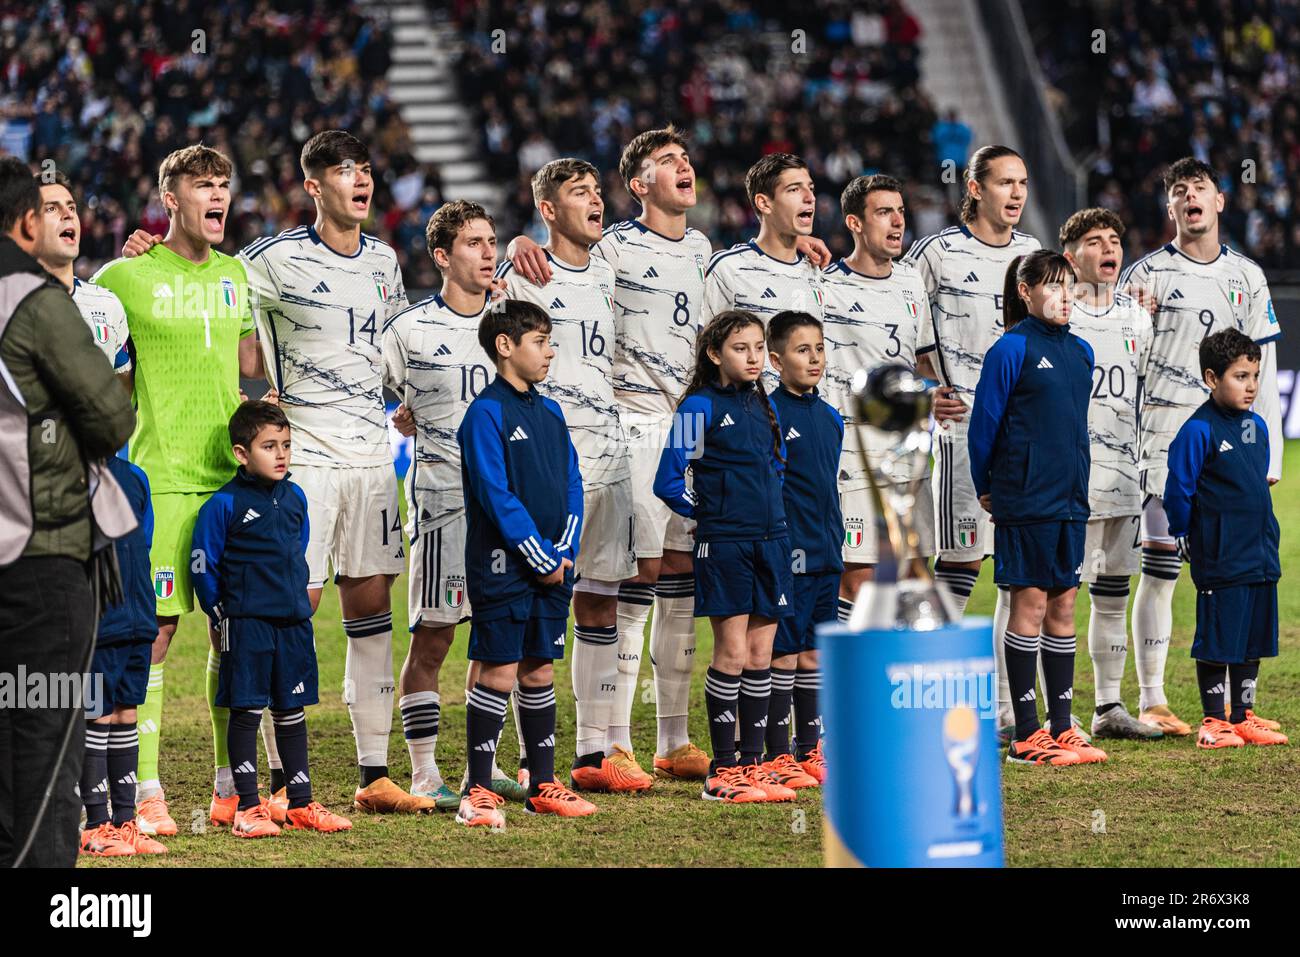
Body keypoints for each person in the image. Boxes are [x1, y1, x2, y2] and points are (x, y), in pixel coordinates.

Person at [123, 131, 429, 816]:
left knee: (311, 617)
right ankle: (188, 783)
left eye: (366, 169)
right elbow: (148, 342)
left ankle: (307, 778)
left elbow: (364, 348)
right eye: (342, 171)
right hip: (234, 469)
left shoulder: (352, 264)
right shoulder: (215, 267)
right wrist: (141, 247)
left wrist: (402, 397)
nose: (361, 180)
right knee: (215, 622)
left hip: (308, 464)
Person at [94, 144, 262, 835]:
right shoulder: (123, 278)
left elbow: (252, 365)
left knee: (234, 633)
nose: (217, 195)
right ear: (172, 199)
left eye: (223, 184)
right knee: (154, 633)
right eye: (203, 185)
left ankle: (230, 787)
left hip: (228, 481)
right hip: (158, 481)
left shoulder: (238, 277)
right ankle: (147, 789)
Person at [496, 158, 649, 792]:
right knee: (539, 605)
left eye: (597, 191)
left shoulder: (613, 268)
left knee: (603, 599)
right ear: (550, 210)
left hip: (611, 456)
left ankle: (593, 752)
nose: (595, 200)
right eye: (577, 194)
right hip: (550, 460)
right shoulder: (524, 273)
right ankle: (527, 755)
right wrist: (516, 241)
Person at [0, 155, 136, 867]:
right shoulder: (34, 300)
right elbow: (113, 418)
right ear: (26, 220)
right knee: (47, 737)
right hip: (40, 556)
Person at [1120, 157, 1284, 737]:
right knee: (1162, 570)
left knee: (1237, 576)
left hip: (1235, 448)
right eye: (1179, 191)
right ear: (1170, 209)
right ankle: (1153, 697)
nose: (1190, 196)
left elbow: (1263, 365)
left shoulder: (1248, 275)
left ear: (1220, 202)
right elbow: (1127, 363)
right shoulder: (1144, 275)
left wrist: (1269, 458)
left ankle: (1235, 708)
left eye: (1201, 189)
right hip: (1168, 441)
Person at [381, 199, 525, 805]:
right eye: (473, 242)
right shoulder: (409, 330)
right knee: (434, 637)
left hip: (510, 505)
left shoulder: (515, 322)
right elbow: (374, 394)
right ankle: (422, 772)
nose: (488, 251)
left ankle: (480, 766)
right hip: (443, 502)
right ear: (442, 256)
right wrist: (398, 413)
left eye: (492, 240)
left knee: (497, 639)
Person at [905, 145, 1040, 739]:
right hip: (961, 434)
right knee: (959, 563)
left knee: (1018, 571)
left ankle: (1011, 710)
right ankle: (928, 699)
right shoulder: (937, 253)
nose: (1016, 194)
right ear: (975, 186)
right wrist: (923, 386)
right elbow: (902, 324)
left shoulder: (1033, 254)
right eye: (1005, 182)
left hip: (1023, 438)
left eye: (1024, 183)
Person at [455, 300, 598, 828]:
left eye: (549, 340)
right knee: (499, 669)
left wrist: (563, 550)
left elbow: (571, 483)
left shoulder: (552, 411)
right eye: (539, 341)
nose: (549, 351)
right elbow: (495, 494)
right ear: (505, 346)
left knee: (539, 667)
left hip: (553, 566)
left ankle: (542, 784)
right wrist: (538, 556)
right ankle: (477, 789)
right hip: (503, 566)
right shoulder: (485, 414)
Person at [968, 251, 1107, 767]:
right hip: (1025, 499)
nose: (1065, 295)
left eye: (1070, 285)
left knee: (1065, 607)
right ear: (1025, 292)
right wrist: (990, 487)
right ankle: (1027, 733)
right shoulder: (1011, 349)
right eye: (1053, 286)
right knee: (1028, 607)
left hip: (1071, 500)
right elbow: (984, 427)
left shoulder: (1081, 351)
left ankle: (1063, 726)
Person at [655, 309, 799, 803]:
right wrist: (712, 514)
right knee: (733, 653)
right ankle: (723, 771)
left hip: (771, 541)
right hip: (727, 545)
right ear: (715, 354)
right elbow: (668, 480)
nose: (754, 356)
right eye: (741, 348)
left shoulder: (764, 405)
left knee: (762, 655)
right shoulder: (698, 407)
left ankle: (754, 764)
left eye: (759, 347)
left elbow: (776, 469)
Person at [191, 401, 353, 837]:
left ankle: (300, 803)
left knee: (291, 709)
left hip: (293, 623)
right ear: (242, 453)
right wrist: (219, 609)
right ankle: (247, 807)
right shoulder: (223, 504)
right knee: (246, 710)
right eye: (269, 446)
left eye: (285, 445)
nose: (281, 454)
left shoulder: (296, 496)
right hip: (247, 625)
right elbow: (202, 561)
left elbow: (298, 549)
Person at [1058, 208, 1162, 741]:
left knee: (1113, 593)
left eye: (1116, 240)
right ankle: (1037, 712)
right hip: (1068, 480)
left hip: (1123, 477)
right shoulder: (1058, 314)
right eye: (1095, 240)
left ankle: (1108, 707)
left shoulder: (1138, 318)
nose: (1109, 249)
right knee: (1058, 598)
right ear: (1071, 254)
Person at [820, 174, 936, 624]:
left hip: (906, 453)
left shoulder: (911, 284)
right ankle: (854, 686)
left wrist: (933, 397)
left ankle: (893, 682)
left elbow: (922, 366)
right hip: (853, 454)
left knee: (911, 570)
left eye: (901, 211)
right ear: (854, 222)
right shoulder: (824, 286)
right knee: (859, 577)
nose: (896, 222)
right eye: (883, 212)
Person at [1164, 330, 1287, 750]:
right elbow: (1178, 489)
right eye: (1240, 376)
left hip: (1258, 550)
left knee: (1253, 633)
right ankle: (1213, 721)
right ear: (1212, 378)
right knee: (1220, 634)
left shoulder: (1258, 426)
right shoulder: (1198, 430)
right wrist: (1183, 534)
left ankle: (1242, 715)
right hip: (1220, 550)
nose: (1250, 386)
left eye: (1254, 376)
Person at [765, 311, 842, 786]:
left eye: (819, 349)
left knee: (814, 653)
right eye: (801, 350)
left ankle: (808, 747)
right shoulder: (768, 414)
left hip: (827, 551)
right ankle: (776, 753)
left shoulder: (831, 417)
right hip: (787, 554)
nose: (814, 359)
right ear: (775, 360)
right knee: (783, 653)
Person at [78, 455, 167, 856]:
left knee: (127, 712)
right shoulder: (66, 475)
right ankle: (95, 824)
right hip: (97, 622)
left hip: (136, 618)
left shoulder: (134, 477)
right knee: (96, 713)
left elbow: (142, 542)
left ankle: (125, 821)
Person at [702, 154, 826, 326]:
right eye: (794, 189)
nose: (810, 197)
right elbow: (700, 345)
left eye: (810, 188)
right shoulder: (729, 268)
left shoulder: (817, 273)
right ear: (764, 203)